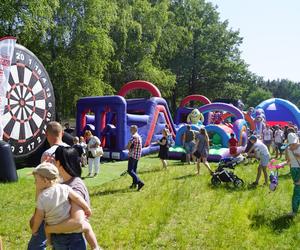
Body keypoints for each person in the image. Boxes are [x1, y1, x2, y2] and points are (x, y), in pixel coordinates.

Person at [30, 162, 99, 249]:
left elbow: (38, 217)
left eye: (36, 180)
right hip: (73, 231)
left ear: (45, 180)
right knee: (87, 227)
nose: (34, 183)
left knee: (46, 228)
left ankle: (49, 242)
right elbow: (77, 198)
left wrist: (35, 229)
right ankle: (95, 247)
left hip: (57, 235)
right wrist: (86, 208)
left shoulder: (42, 197)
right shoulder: (64, 188)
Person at [46, 146, 100, 249]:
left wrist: (48, 229)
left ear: (58, 163)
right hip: (64, 240)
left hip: (70, 243)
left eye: (54, 159)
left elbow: (77, 222)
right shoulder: (64, 181)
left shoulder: (74, 187)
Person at [28, 121, 69, 250]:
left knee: (37, 240)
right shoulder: (71, 149)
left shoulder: (47, 154)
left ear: (47, 135)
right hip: (67, 201)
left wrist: (36, 211)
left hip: (49, 203)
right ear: (62, 133)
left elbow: (42, 184)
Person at [285, 133, 300, 216]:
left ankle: (294, 212)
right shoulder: (288, 149)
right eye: (291, 144)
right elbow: (288, 161)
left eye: (294, 143)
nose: (292, 145)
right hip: (294, 170)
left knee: (297, 191)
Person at [126, 125, 144, 191]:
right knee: (134, 171)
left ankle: (140, 182)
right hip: (137, 156)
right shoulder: (139, 136)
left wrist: (127, 146)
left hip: (133, 155)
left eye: (131, 129)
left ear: (134, 130)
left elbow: (128, 146)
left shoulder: (134, 137)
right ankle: (134, 184)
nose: (130, 130)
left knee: (130, 171)